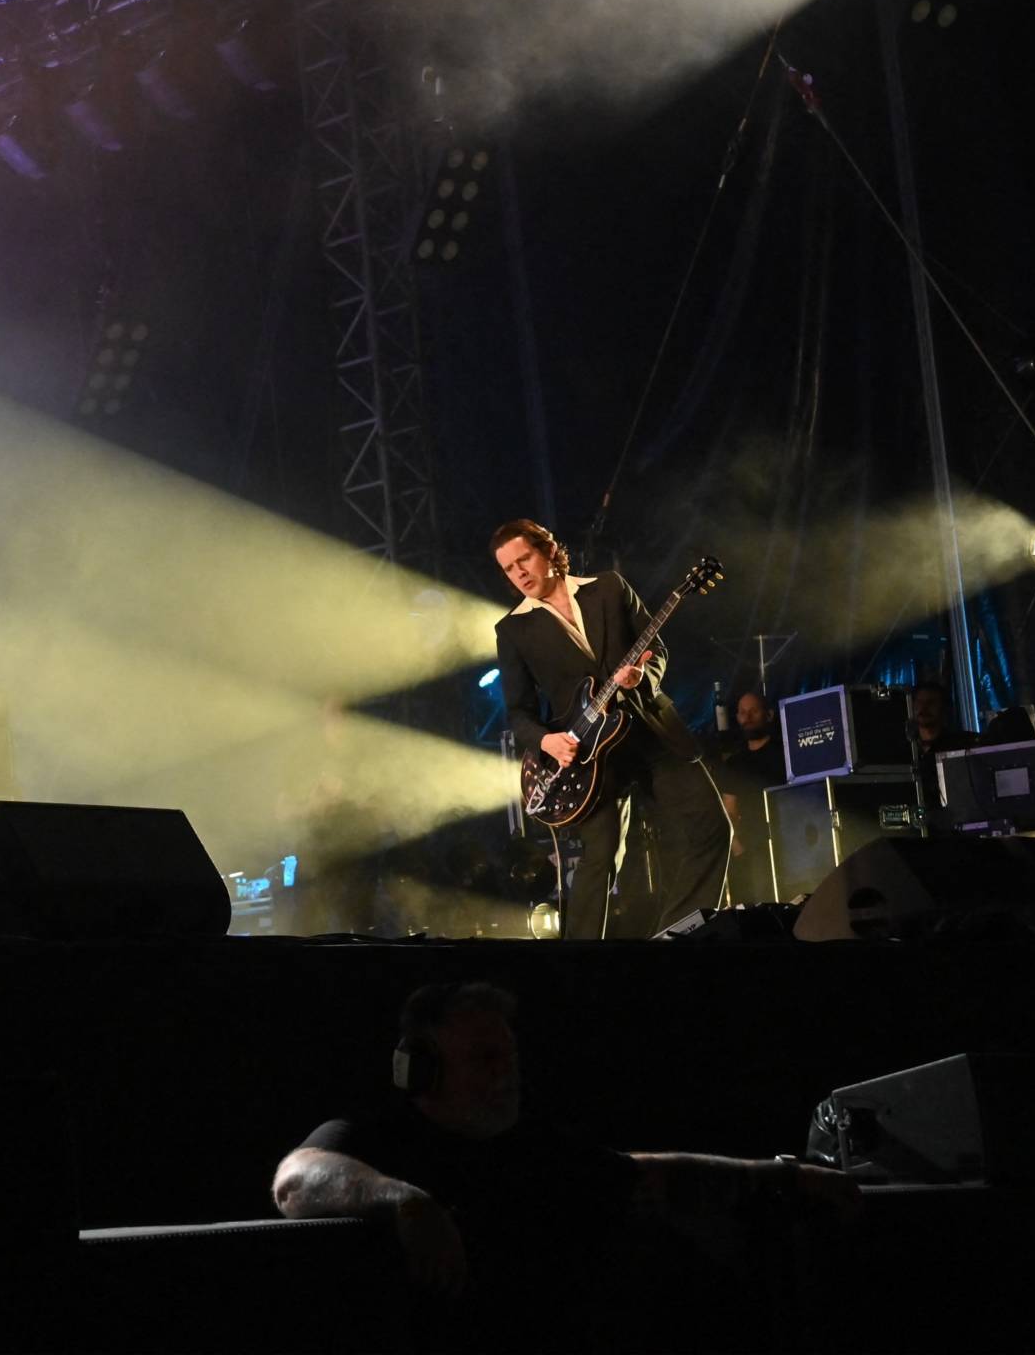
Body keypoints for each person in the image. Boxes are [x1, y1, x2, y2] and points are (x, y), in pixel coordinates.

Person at [271, 983, 857, 1326]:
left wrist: (786, 1177)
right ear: (418, 1068)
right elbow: (297, 1181)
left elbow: (649, 1175)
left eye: (509, 1056)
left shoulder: (541, 1151)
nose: (508, 1075)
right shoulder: (374, 1139)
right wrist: (404, 1201)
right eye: (484, 1059)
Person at [491, 520, 728, 939]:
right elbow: (518, 712)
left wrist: (643, 678)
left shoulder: (609, 587)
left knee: (711, 827)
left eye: (524, 559)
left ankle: (678, 934)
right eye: (509, 569)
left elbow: (658, 651)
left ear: (547, 550)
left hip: (651, 732)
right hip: (590, 754)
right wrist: (547, 740)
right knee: (600, 858)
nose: (519, 573)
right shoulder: (512, 629)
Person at [712, 691, 784, 903]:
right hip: (755, 848)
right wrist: (738, 849)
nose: (747, 717)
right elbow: (729, 811)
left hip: (787, 843)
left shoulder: (784, 753)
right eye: (742, 712)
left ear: (769, 715)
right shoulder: (735, 764)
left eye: (753, 711)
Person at [907, 681, 982, 770]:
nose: (924, 707)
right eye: (919, 702)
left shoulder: (960, 745)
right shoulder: (906, 749)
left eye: (931, 702)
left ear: (943, 707)